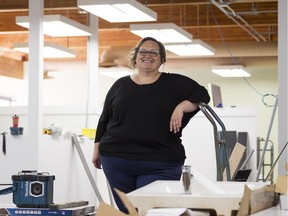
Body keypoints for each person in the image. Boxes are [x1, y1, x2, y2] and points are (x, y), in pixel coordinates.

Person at [93, 36, 210, 213]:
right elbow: (105, 119)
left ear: (162, 59)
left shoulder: (174, 83)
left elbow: (202, 95)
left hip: (160, 162)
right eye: (143, 51)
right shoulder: (120, 85)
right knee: (130, 211)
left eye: (154, 52)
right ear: (136, 57)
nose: (148, 55)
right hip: (117, 160)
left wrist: (181, 107)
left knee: (153, 212)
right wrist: (97, 149)